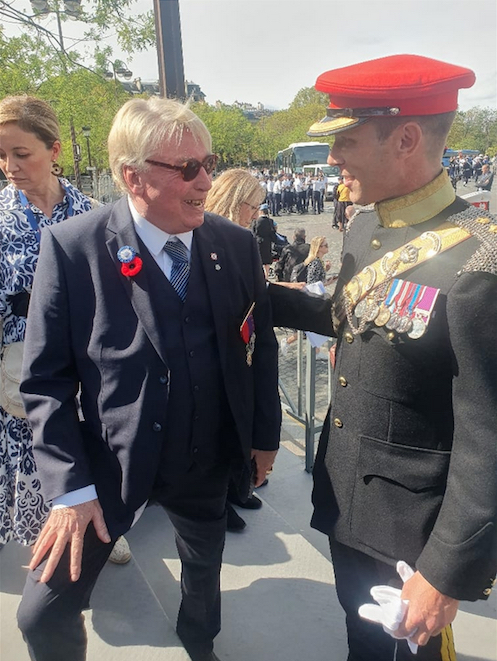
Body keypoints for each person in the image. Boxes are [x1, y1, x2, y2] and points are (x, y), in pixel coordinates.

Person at [16, 97, 281, 661]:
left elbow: (260, 346)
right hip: (110, 467)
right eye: (188, 168)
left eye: (209, 163)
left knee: (203, 568)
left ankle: (199, 642)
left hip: (207, 457)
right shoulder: (73, 248)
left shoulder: (235, 246)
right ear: (132, 175)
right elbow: (45, 383)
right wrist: (70, 491)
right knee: (41, 614)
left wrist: (264, 438)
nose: (206, 181)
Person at [270, 54, 497, 660]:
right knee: (362, 645)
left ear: (405, 139)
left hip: (413, 531)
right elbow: (352, 318)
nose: (332, 158)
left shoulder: (480, 262)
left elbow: (489, 435)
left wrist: (445, 571)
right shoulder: (365, 226)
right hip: (348, 497)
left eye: (345, 141)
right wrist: (254, 294)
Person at [0, 95, 91, 550]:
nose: (9, 167)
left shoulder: (92, 213)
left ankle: (98, 524)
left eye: (21, 153)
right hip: (22, 364)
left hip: (87, 359)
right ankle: (42, 539)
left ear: (54, 150)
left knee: (90, 440)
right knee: (32, 449)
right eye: (1, 155)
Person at [250, 203, 277, 278]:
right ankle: (266, 275)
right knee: (267, 261)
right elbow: (273, 232)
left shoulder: (256, 221)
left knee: (258, 259)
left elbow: (253, 232)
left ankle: (259, 275)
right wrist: (274, 240)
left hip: (258, 242)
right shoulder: (270, 221)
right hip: (267, 242)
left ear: (261, 211)